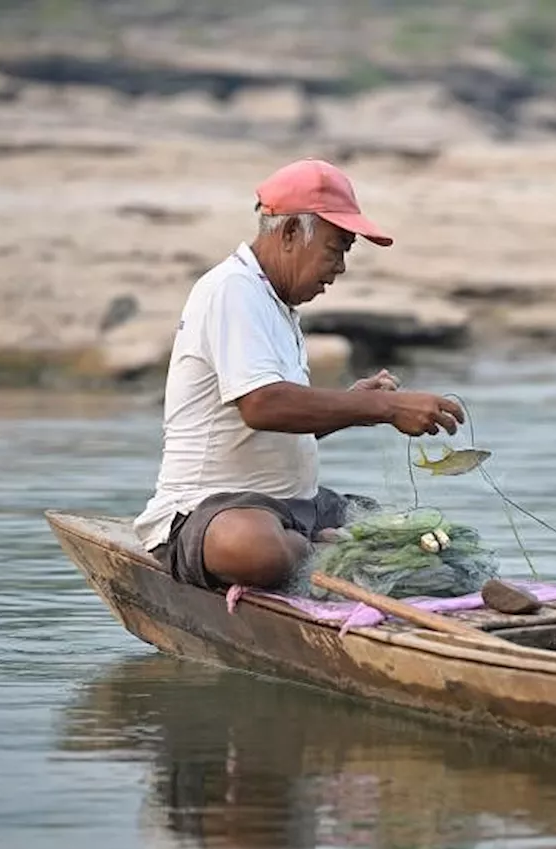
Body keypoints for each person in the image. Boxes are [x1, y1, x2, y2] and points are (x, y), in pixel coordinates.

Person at [134, 158, 465, 592]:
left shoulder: (278, 306)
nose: (341, 267)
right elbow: (263, 406)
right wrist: (384, 406)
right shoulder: (232, 289)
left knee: (425, 541)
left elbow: (277, 423)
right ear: (290, 233)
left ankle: (317, 544)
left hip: (295, 506)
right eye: (337, 248)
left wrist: (353, 406)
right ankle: (320, 552)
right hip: (211, 511)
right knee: (254, 549)